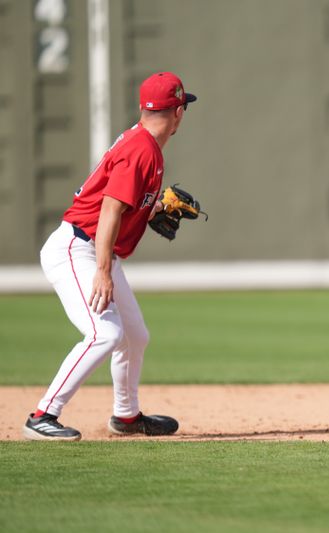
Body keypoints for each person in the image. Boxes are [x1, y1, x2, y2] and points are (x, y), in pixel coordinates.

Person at [22, 72, 197, 441]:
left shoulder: (144, 143)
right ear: (178, 112)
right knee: (105, 332)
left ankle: (126, 416)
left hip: (96, 248)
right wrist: (102, 271)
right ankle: (42, 414)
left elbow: (124, 208)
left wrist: (152, 211)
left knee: (135, 336)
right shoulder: (141, 151)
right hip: (77, 249)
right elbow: (110, 211)